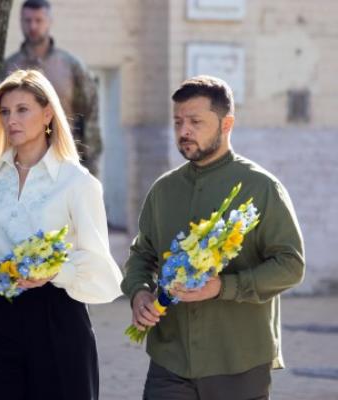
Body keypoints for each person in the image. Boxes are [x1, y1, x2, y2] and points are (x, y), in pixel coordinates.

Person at [0, 69, 122, 400]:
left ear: (48, 113)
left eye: (23, 109)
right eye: (5, 111)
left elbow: (99, 265)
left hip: (57, 317)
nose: (12, 120)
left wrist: (55, 271)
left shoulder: (78, 183)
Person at [120, 75, 305, 400]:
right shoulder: (163, 190)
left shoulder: (261, 188)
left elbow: (291, 265)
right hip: (169, 361)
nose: (184, 131)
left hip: (238, 361)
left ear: (227, 123)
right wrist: (139, 294)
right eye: (178, 121)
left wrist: (223, 286)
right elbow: (141, 255)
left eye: (195, 121)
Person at [2, 0, 102, 175]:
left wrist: (89, 164)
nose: (33, 26)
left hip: (63, 164)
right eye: (27, 20)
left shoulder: (70, 66)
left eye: (38, 20)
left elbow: (89, 112)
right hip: (18, 169)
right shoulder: (9, 68)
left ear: (49, 22)